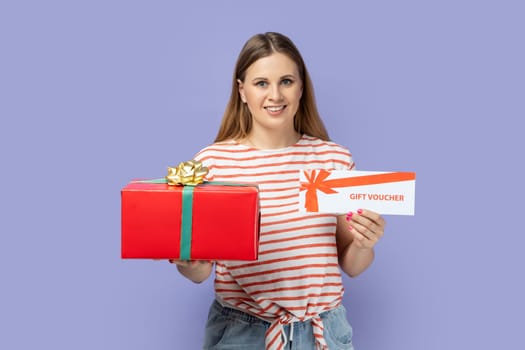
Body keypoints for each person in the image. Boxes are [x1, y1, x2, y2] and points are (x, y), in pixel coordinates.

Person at [173, 32, 386, 350]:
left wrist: (365, 243)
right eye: (261, 83)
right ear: (242, 90)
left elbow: (353, 264)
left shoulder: (333, 159)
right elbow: (200, 273)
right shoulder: (212, 163)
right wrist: (187, 260)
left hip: (323, 333)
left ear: (301, 87)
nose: (275, 94)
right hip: (242, 334)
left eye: (286, 81)